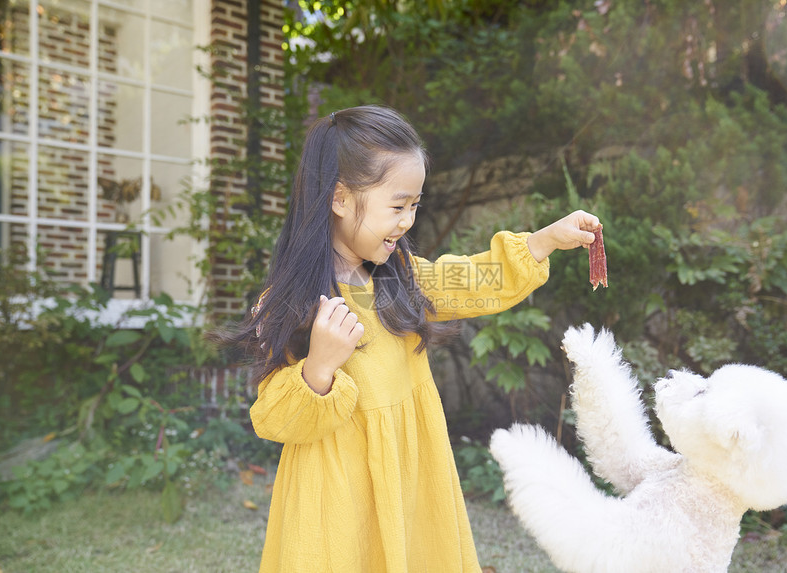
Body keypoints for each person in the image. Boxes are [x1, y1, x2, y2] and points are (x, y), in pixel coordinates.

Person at [231, 105, 600, 572]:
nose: (407, 221)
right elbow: (273, 418)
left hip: (411, 476)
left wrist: (544, 240)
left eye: (414, 206)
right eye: (397, 205)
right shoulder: (293, 302)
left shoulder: (400, 280)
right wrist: (318, 368)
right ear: (340, 198)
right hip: (337, 495)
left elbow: (469, 278)